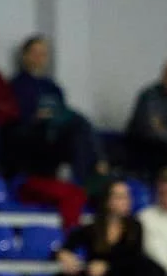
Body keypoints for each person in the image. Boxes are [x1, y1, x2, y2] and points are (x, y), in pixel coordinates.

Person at [55, 179, 167, 276]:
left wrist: (108, 266)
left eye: (127, 196)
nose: (126, 201)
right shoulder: (92, 229)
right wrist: (64, 255)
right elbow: (65, 247)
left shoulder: (135, 227)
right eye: (120, 197)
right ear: (107, 201)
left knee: (151, 270)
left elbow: (133, 258)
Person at [9, 35, 102, 183]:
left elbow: (63, 112)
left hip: (58, 132)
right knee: (77, 125)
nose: (39, 58)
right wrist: (36, 116)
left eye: (43, 54)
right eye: (35, 53)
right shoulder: (16, 85)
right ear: (25, 56)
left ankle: (90, 176)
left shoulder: (53, 87)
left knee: (80, 126)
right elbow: (15, 116)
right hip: (33, 133)